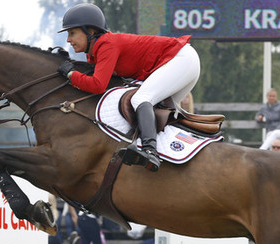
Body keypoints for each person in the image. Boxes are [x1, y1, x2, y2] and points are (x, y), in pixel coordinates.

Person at [58, 3, 199, 172]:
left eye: (72, 32)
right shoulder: (94, 53)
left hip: (181, 59)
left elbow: (97, 85)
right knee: (160, 114)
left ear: (91, 31)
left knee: (140, 99)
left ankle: (150, 151)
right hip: (181, 61)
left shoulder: (106, 43)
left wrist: (71, 74)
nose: (68, 39)